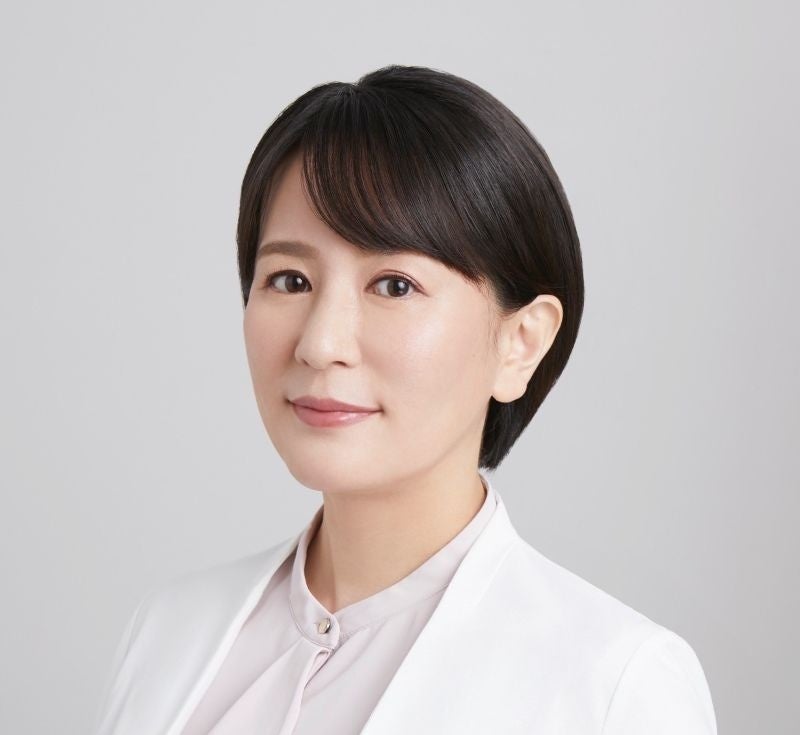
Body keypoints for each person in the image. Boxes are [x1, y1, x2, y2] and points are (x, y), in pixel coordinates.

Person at [92, 65, 718, 734]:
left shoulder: (614, 686)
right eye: (290, 279)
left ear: (520, 342)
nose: (320, 344)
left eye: (394, 285)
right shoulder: (167, 631)